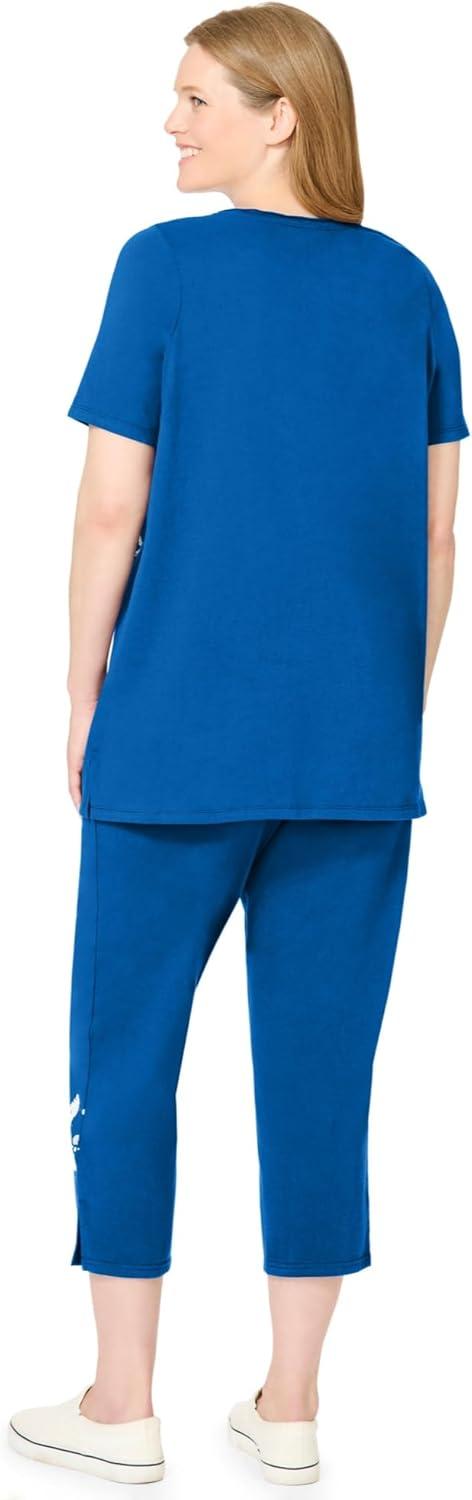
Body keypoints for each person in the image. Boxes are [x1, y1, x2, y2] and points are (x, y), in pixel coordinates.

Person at [8, 3, 469, 1487]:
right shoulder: (410, 287)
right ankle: (292, 1408)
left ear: (285, 115)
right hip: (354, 760)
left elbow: (109, 507)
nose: (172, 122)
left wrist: (82, 692)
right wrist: (381, 717)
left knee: (125, 1059)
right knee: (323, 1080)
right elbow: (437, 537)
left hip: (175, 739)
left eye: (198, 97)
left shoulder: (164, 269)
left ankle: (122, 1407)